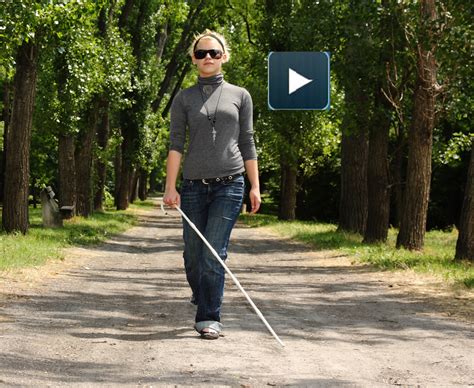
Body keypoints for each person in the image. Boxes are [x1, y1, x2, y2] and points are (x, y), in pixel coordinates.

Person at [162, 29, 261, 340]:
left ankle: (209, 317)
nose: (208, 57)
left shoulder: (241, 95)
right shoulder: (183, 98)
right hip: (192, 185)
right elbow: (176, 144)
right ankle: (202, 293)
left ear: (224, 57)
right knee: (193, 254)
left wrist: (254, 186)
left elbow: (247, 141)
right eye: (202, 53)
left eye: (214, 53)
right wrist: (170, 186)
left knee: (213, 253)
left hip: (229, 184)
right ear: (194, 59)